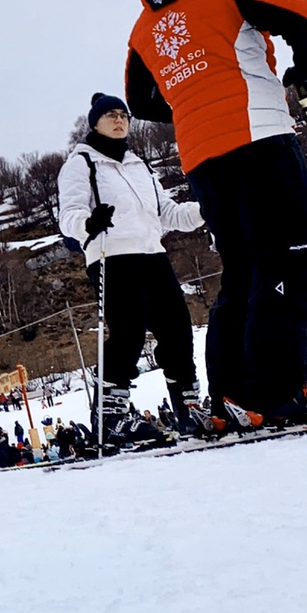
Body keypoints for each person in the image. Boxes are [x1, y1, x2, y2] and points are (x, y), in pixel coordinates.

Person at [125, 0, 307, 431]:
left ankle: (231, 400)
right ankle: (281, 391)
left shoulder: (145, 25)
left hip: (202, 157)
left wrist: (195, 106)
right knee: (290, 259)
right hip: (259, 136)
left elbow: (140, 99)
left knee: (242, 271)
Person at [57, 93, 206, 444]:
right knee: (129, 332)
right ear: (94, 122)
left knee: (178, 328)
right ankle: (111, 416)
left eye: (123, 114)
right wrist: (88, 224)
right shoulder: (81, 163)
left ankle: (187, 407)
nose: (119, 120)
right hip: (112, 255)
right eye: (110, 115)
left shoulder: (140, 165)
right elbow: (69, 216)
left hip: (152, 253)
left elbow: (168, 213)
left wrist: (208, 208)